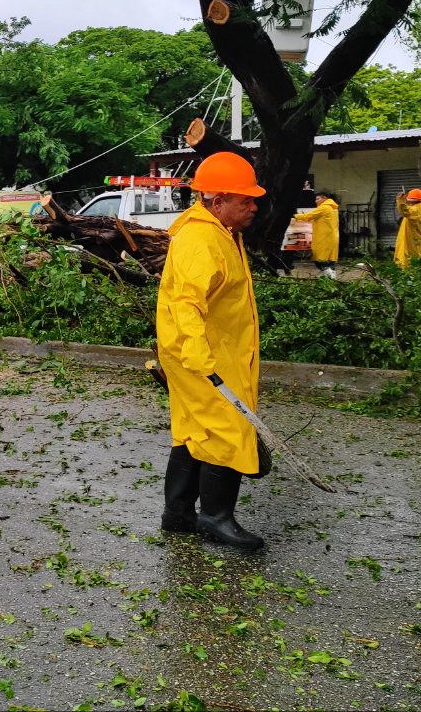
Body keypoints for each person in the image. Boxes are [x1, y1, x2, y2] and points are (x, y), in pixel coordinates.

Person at [156, 151, 267, 551]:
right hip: (201, 354)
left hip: (205, 351)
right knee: (227, 429)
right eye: (246, 200)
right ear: (217, 202)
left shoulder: (220, 232)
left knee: (193, 430)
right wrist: (201, 358)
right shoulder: (202, 240)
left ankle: (179, 514)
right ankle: (216, 518)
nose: (254, 207)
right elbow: (186, 303)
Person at [294, 190, 340, 279]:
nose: (316, 201)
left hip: (324, 238)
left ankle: (331, 279)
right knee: (330, 261)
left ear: (324, 198)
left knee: (320, 260)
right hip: (332, 237)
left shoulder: (324, 207)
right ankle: (332, 279)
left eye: (317, 199)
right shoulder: (333, 208)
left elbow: (309, 216)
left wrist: (294, 216)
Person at [394, 188, 421, 269]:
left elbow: (405, 210)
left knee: (409, 268)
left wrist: (400, 200)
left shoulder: (416, 210)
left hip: (411, 246)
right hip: (419, 245)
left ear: (412, 201)